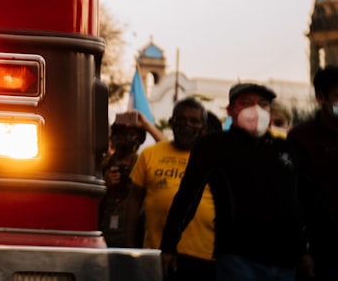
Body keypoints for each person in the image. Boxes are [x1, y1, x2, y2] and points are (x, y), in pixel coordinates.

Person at [160, 82, 311, 281]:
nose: (256, 110)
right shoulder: (214, 146)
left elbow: (300, 202)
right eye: (247, 103)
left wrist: (305, 250)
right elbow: (188, 196)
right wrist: (169, 245)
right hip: (238, 259)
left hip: (284, 261)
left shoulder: (285, 149)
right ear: (231, 110)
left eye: (263, 104)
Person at [127, 97, 215, 281]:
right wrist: (129, 242)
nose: (187, 125)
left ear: (204, 127)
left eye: (194, 121)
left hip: (203, 256)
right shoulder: (150, 154)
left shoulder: (213, 159)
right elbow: (134, 199)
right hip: (158, 253)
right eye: (181, 119)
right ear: (171, 122)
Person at [288, 65, 338, 281]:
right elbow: (293, 197)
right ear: (320, 98)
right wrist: (303, 249)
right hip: (319, 251)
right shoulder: (301, 138)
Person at [98, 110, 161, 247]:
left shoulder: (143, 164)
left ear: (139, 138)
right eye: (120, 133)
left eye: (131, 134)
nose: (125, 138)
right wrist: (104, 185)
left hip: (134, 236)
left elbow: (167, 150)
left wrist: (146, 125)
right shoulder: (103, 164)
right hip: (104, 236)